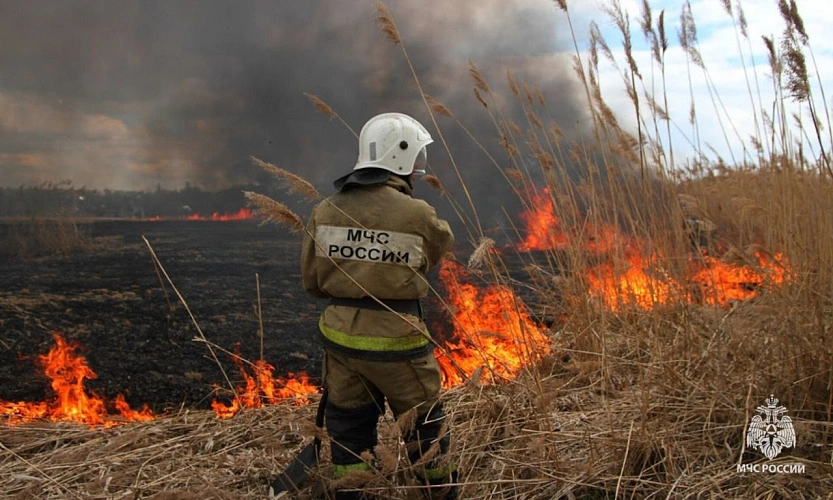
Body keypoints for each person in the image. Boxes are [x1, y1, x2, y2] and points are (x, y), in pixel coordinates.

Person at [301, 112, 457, 499]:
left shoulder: (325, 210)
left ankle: (353, 490)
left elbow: (312, 281)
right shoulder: (418, 215)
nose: (418, 169)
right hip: (397, 341)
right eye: (416, 159)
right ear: (401, 157)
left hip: (339, 339)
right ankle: (439, 492)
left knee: (348, 426)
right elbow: (436, 247)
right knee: (426, 426)